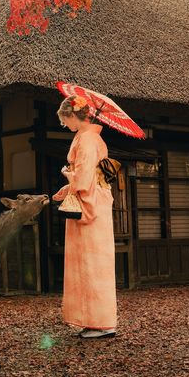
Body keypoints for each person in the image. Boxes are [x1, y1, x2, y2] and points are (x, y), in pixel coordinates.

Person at [52, 95, 117, 339]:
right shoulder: (90, 137)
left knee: (91, 264)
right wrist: (68, 186)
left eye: (64, 120)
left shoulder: (88, 139)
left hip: (91, 206)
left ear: (72, 115)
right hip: (96, 200)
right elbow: (87, 176)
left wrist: (69, 177)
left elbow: (84, 176)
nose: (65, 125)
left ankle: (101, 322)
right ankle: (95, 320)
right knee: (92, 263)